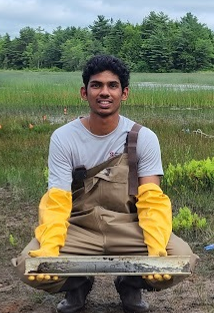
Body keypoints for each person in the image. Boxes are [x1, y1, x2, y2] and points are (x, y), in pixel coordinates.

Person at [12, 54, 198, 313]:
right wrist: (51, 249)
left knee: (182, 258)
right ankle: (76, 283)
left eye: (112, 85)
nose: (104, 92)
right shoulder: (63, 138)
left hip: (127, 227)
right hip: (78, 227)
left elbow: (152, 198)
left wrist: (156, 250)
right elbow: (56, 199)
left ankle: (130, 283)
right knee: (27, 265)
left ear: (124, 93)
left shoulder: (143, 138)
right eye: (96, 85)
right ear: (83, 92)